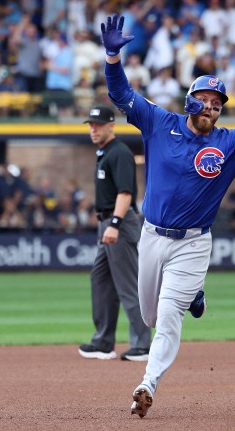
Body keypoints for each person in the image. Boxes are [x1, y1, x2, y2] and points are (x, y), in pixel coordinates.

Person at [99, 14, 235, 418]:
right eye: (205, 99)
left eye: (217, 104)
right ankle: (193, 295)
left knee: (166, 317)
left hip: (193, 242)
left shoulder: (230, 143)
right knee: (149, 313)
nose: (211, 107)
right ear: (190, 99)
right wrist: (113, 56)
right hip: (152, 235)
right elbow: (120, 93)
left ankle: (146, 385)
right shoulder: (159, 122)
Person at [78, 104, 151, 362]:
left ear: (112, 126)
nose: (94, 129)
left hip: (119, 222)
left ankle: (143, 345)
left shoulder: (119, 152)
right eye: (91, 125)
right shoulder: (104, 152)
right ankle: (103, 342)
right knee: (100, 281)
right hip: (107, 222)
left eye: (98, 125)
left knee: (127, 285)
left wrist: (116, 223)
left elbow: (126, 193)